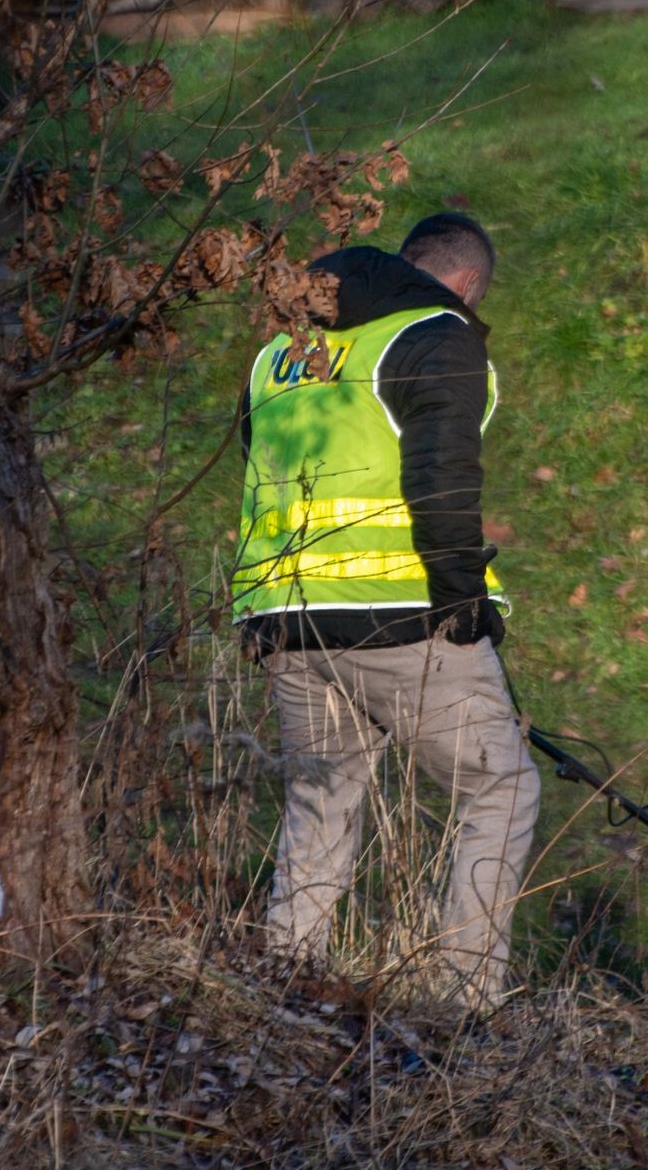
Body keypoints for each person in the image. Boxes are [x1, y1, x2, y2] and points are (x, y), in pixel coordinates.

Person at [231, 212, 539, 1007]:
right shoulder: (436, 333)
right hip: (402, 615)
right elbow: (442, 481)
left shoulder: (282, 352)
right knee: (499, 791)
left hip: (286, 618)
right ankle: (463, 1001)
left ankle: (283, 985)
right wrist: (464, 603)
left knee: (321, 799)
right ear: (466, 285)